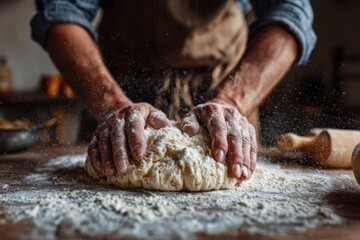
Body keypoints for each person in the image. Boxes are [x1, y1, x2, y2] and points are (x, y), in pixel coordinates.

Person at [31, 0, 316, 181]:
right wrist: (112, 106)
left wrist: (230, 100)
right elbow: (62, 10)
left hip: (226, 93)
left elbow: (291, 10)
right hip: (115, 94)